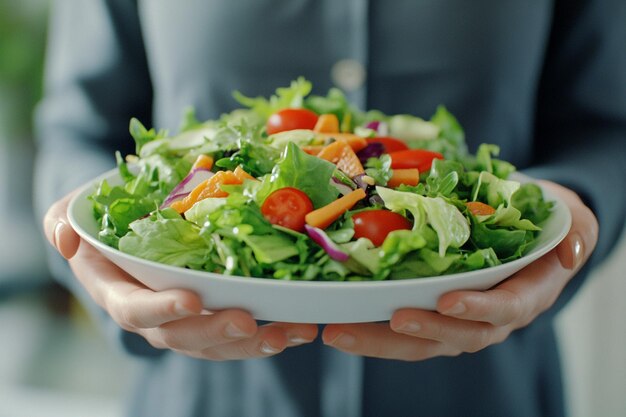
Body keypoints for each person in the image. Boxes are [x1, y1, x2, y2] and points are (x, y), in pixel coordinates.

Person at [37, 1, 625, 416]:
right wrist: (89, 250)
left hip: (487, 388)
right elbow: (76, 131)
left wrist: (576, 213)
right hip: (205, 393)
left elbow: (606, 127)